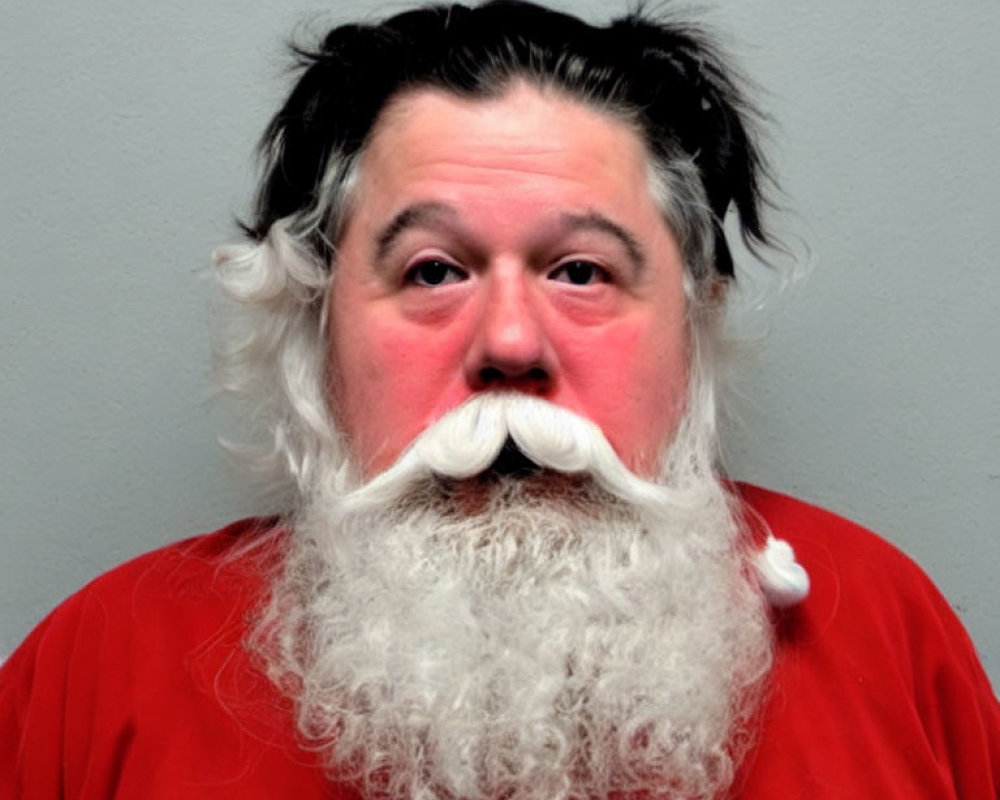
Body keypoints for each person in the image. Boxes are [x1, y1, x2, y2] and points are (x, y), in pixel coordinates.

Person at [2, 1, 997, 798]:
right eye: (434, 271)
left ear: (692, 328)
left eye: (580, 271)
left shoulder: (880, 628)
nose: (511, 344)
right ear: (315, 331)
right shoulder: (96, 669)